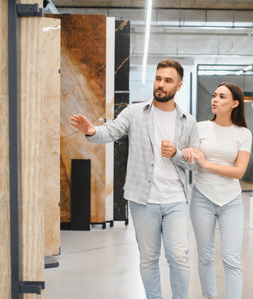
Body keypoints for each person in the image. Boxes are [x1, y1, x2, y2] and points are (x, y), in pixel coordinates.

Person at [70, 58, 198, 299]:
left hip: (176, 200)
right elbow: (111, 130)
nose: (161, 84)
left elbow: (195, 162)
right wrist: (92, 131)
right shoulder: (134, 112)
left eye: (168, 81)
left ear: (179, 86)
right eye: (158, 78)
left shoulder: (188, 122)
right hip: (143, 199)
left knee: (179, 257)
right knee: (149, 258)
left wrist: (177, 154)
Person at [181, 82, 252, 299]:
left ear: (235, 103)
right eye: (214, 95)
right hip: (202, 197)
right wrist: (185, 152)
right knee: (204, 257)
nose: (215, 99)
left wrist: (206, 164)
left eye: (222, 96)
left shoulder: (243, 133)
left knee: (231, 258)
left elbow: (239, 171)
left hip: (231, 201)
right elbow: (187, 156)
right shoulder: (199, 127)